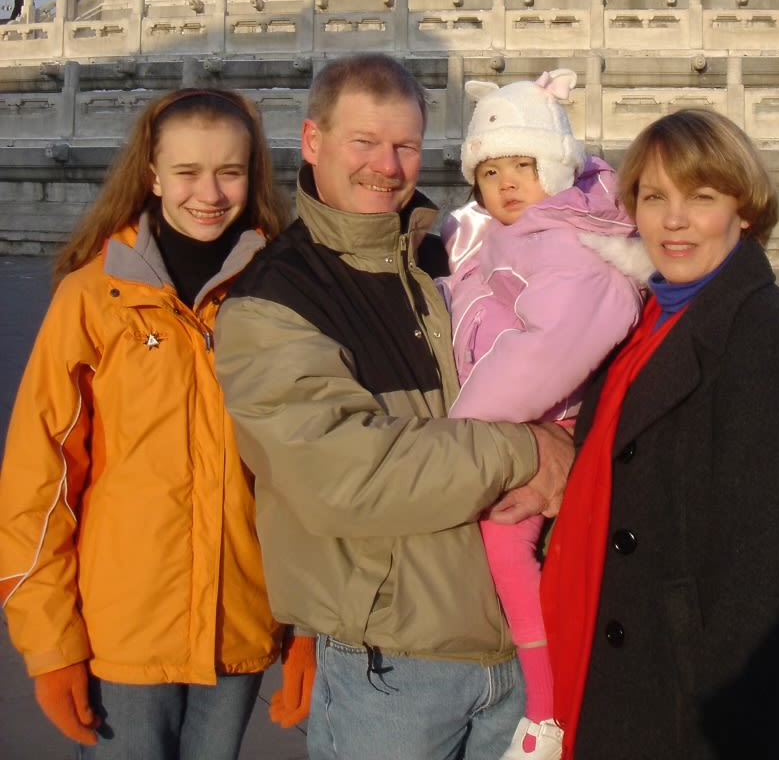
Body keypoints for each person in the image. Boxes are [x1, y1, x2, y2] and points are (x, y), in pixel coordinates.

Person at [214, 53, 574, 760]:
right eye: (364, 142)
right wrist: (528, 451)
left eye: (405, 146)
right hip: (398, 670)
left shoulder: (453, 261)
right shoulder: (274, 299)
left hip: (526, 654)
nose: (386, 165)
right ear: (312, 142)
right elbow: (347, 476)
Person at [540, 108, 779, 759]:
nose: (673, 221)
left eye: (702, 198)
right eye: (654, 196)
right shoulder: (642, 322)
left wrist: (724, 725)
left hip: (702, 704)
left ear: (743, 211)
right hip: (626, 673)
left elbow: (774, 578)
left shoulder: (770, 337)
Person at [0, 88, 315, 759]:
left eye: (229, 171)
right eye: (187, 172)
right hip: (123, 631)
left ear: (252, 175)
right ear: (152, 175)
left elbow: (305, 473)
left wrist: (311, 621)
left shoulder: (280, 292)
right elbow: (40, 478)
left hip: (239, 617)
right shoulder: (94, 297)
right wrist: (48, 642)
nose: (210, 193)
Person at [444, 69, 651, 760]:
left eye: (525, 166)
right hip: (515, 413)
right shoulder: (524, 229)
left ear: (557, 166)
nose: (507, 183)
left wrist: (459, 438)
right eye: (492, 169)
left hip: (539, 418)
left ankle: (546, 710)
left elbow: (542, 353)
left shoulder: (574, 247)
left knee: (504, 541)